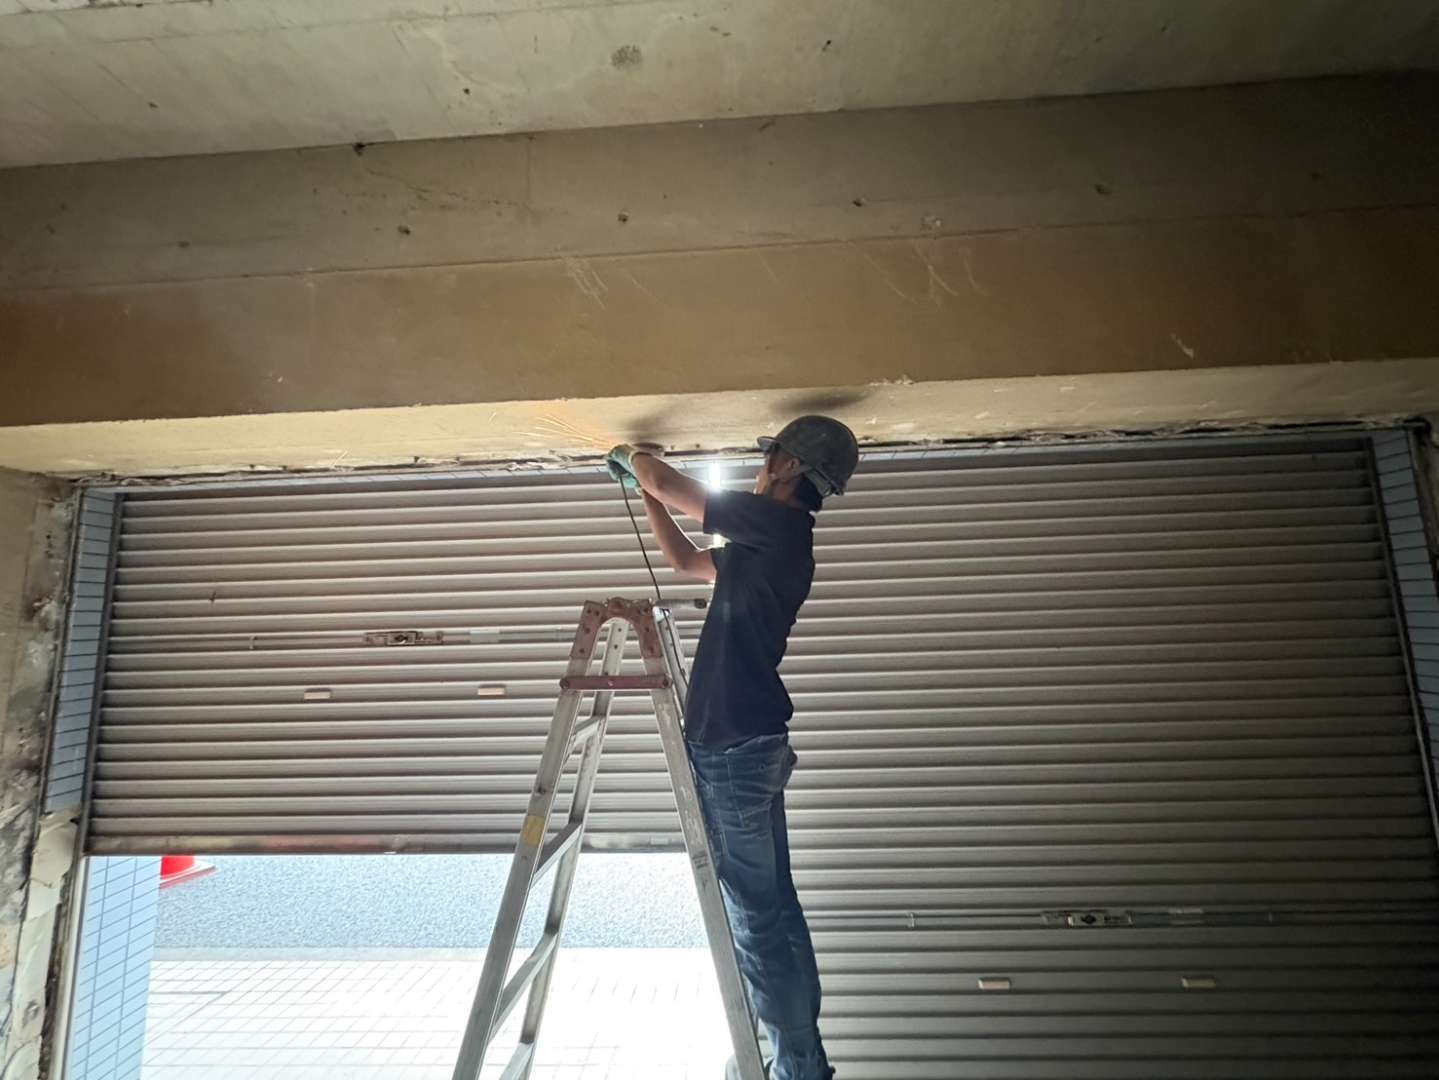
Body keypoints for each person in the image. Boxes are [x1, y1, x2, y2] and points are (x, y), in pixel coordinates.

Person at [606, 416, 859, 1080]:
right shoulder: (766, 541)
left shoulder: (775, 526)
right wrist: (643, 489)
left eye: (770, 454)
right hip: (750, 746)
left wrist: (636, 457)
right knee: (773, 910)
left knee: (755, 920)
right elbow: (685, 561)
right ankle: (802, 1060)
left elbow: (671, 483)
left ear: (789, 467)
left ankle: (797, 1067)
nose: (760, 464)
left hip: (734, 750)